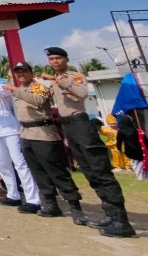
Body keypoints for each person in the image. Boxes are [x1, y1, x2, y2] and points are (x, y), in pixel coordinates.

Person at [44, 47, 135, 237]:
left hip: (81, 123)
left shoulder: (74, 76)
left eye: (58, 58)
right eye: (51, 59)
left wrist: (59, 82)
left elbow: (82, 93)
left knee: (100, 169)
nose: (55, 62)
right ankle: (109, 213)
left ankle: (122, 220)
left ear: (66, 59)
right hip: (68, 126)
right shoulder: (53, 80)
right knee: (88, 170)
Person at [5, 62, 86, 225]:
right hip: (27, 133)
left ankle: (75, 205)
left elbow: (38, 101)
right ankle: (50, 203)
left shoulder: (38, 85)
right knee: (38, 171)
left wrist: (16, 90)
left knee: (56, 171)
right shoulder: (21, 87)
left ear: (30, 71)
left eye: (24, 71)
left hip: (43, 133)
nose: (21, 75)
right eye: (18, 72)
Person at [0, 62, 42, 213]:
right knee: (3, 163)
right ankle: (13, 194)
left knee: (20, 163)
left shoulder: (4, 86)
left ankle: (33, 198)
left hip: (10, 128)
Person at [116, 115, 147, 180]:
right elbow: (145, 140)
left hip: (131, 153)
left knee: (137, 166)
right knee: (143, 165)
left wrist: (119, 149)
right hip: (141, 151)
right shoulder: (137, 130)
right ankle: (144, 177)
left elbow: (119, 142)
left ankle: (141, 179)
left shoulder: (121, 131)